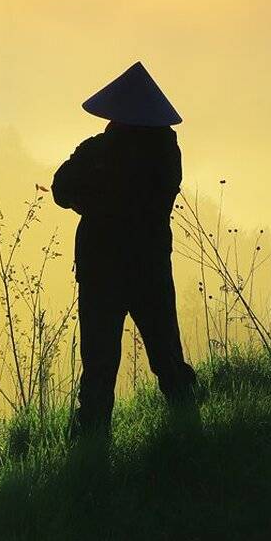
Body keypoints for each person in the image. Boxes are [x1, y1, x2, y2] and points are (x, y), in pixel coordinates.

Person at [52, 61, 197, 436]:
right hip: (149, 266)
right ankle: (188, 428)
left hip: (101, 267)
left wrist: (93, 203)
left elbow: (62, 189)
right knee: (166, 354)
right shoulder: (166, 152)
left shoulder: (99, 150)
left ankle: (92, 438)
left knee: (99, 361)